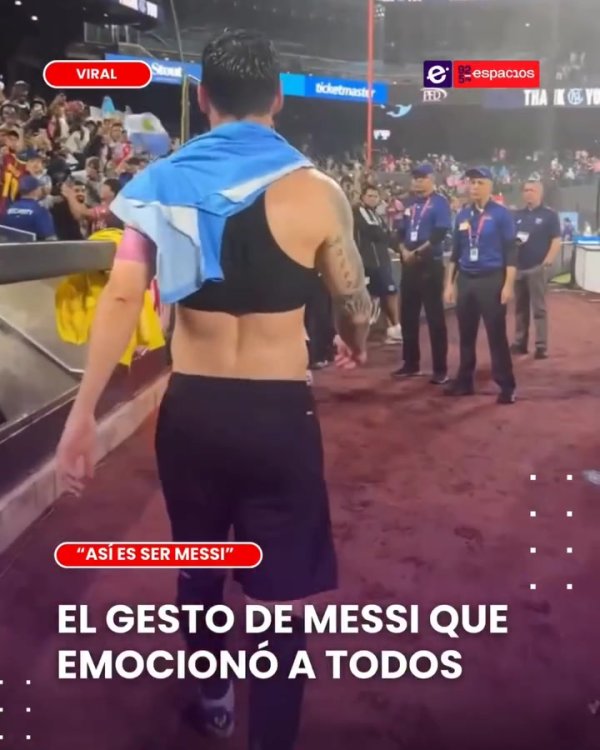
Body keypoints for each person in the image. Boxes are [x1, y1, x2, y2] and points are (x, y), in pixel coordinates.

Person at [55, 29, 371, 750]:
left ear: (203, 99)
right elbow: (351, 299)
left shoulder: (160, 183)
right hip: (278, 414)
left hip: (194, 409)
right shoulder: (318, 191)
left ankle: (216, 699)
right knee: (279, 602)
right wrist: (354, 339)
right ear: (278, 100)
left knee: (198, 565)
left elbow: (119, 299)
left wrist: (82, 415)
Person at [444, 166, 517, 404]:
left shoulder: (502, 215)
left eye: (480, 183)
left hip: (491, 279)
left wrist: (508, 285)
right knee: (466, 335)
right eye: (472, 182)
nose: (474, 187)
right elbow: (455, 254)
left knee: (496, 335)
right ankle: (464, 381)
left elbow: (511, 252)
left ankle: (506, 385)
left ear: (490, 186)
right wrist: (449, 284)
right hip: (466, 280)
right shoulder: (462, 215)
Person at [392, 162, 451, 383]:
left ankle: (440, 369)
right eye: (415, 178)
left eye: (422, 178)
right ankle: (410, 363)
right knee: (408, 317)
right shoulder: (408, 203)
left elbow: (439, 233)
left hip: (430, 265)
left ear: (431, 179)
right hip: (409, 266)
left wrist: (416, 252)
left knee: (435, 319)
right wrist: (403, 250)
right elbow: (399, 232)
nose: (417, 182)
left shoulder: (440, 202)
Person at [512, 181, 561, 359]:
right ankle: (520, 343)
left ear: (540, 193)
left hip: (537, 268)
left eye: (532, 190)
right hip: (519, 268)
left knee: (539, 309)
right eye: (525, 190)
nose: (528, 193)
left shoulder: (550, 215)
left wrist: (547, 263)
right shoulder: (517, 215)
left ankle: (541, 346)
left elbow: (556, 240)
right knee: (520, 309)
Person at [353, 185, 402, 344]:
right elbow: (375, 232)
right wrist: (386, 235)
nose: (373, 199)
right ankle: (393, 329)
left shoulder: (376, 215)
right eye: (370, 196)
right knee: (387, 293)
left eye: (375, 196)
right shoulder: (359, 212)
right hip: (369, 263)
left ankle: (390, 329)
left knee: (382, 294)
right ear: (362, 197)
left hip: (381, 262)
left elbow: (387, 235)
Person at [1, 174, 57, 240]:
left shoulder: (8, 209)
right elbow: (51, 239)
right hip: (33, 246)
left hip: (10, 246)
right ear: (35, 190)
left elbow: (2, 236)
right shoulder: (40, 211)